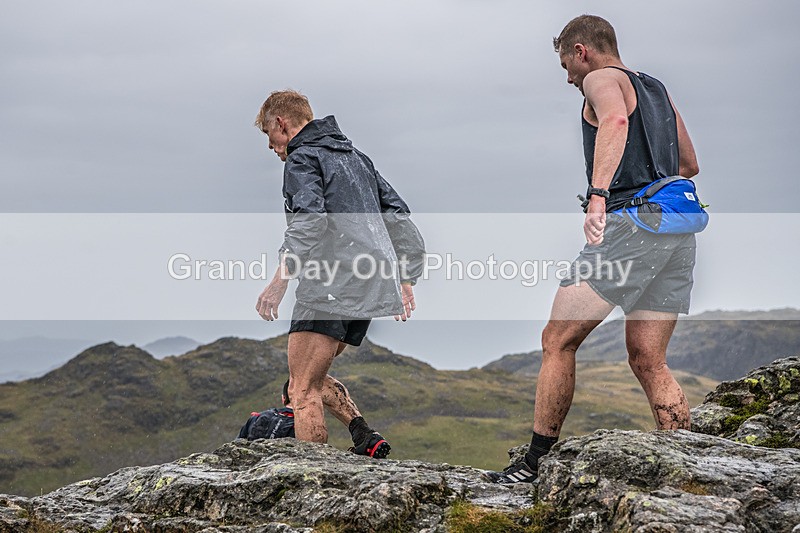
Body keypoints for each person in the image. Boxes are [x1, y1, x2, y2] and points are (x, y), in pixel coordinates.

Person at [489, 15, 700, 483]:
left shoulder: (602, 78)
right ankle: (686, 462)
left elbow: (616, 119)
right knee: (649, 359)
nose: (568, 77)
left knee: (557, 338)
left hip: (630, 225)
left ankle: (536, 460)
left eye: (566, 64)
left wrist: (600, 194)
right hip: (677, 232)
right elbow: (689, 163)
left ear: (582, 50)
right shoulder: (658, 89)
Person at [253, 90, 425, 458]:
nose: (270, 145)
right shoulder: (356, 158)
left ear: (282, 124)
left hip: (331, 281)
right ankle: (363, 434)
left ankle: (313, 479)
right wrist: (406, 276)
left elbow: (310, 222)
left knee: (302, 390)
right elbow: (398, 215)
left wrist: (280, 280)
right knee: (304, 378)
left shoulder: (302, 158)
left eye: (269, 134)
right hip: (370, 284)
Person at [238, 378, 380, 455]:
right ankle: (363, 434)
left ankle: (364, 436)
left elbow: (238, 447)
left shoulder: (256, 418)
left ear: (283, 398)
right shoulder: (306, 423)